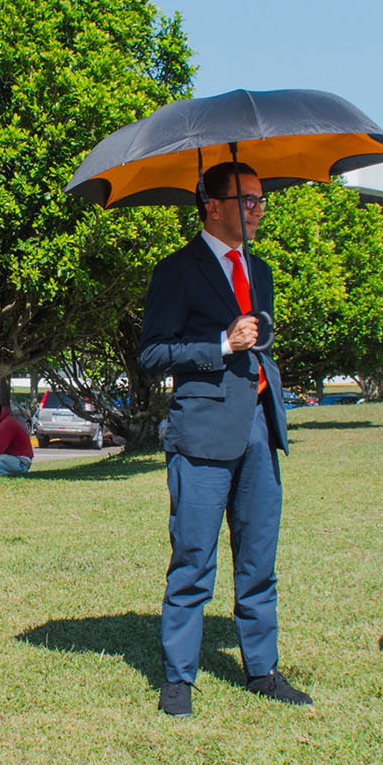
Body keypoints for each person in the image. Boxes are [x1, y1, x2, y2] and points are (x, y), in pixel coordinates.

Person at [140, 162, 307, 719]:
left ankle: (262, 669)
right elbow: (153, 355)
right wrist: (221, 342)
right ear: (212, 205)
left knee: (259, 557)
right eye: (248, 200)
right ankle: (179, 678)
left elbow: (264, 339)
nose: (259, 209)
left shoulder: (260, 270)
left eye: (261, 200)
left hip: (260, 426)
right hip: (203, 432)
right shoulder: (176, 271)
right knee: (193, 557)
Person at [0, 397, 34, 476]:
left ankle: (8, 474)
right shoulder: (0, 423)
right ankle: (4, 474)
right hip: (14, 459)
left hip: (21, 461)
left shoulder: (6, 424)